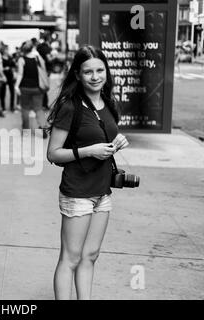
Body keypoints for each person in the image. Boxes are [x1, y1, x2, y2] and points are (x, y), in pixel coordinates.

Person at [47, 45, 129, 300]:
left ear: (106, 71)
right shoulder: (70, 107)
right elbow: (53, 153)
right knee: (70, 258)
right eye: (88, 72)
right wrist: (88, 150)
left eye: (99, 70)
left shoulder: (108, 102)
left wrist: (116, 143)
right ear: (78, 75)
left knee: (91, 256)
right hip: (78, 192)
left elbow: (103, 137)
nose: (95, 77)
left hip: (102, 191)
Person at [15, 40, 49, 138]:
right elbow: (44, 70)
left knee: (25, 109)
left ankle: (25, 131)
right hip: (37, 88)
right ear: (32, 48)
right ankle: (43, 128)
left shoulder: (21, 59)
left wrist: (16, 86)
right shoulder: (38, 58)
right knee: (38, 109)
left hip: (25, 88)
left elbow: (20, 74)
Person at [37, 33, 53, 110]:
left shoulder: (39, 47)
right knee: (45, 87)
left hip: (39, 68)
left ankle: (41, 104)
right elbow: (49, 59)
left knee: (40, 86)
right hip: (45, 69)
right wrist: (54, 57)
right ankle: (44, 105)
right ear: (49, 39)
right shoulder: (46, 48)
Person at [0, 44, 16, 113]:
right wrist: (4, 68)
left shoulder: (10, 57)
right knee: (3, 92)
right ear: (3, 50)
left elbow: (14, 66)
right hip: (3, 76)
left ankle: (12, 107)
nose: (7, 51)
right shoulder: (0, 58)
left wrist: (13, 71)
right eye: (6, 49)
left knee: (12, 92)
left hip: (10, 76)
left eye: (7, 49)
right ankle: (3, 108)